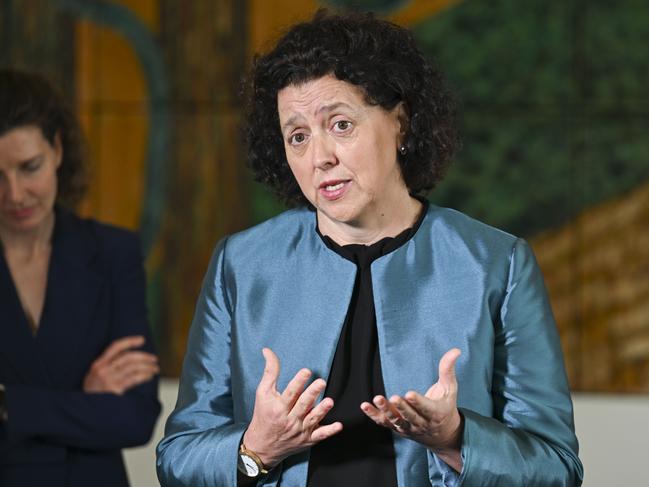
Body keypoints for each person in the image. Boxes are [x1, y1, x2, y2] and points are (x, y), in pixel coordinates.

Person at [156, 10, 583, 487]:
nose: (320, 157)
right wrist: (257, 448)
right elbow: (178, 459)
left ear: (400, 122)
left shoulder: (496, 264)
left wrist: (456, 439)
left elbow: (555, 468)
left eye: (340, 125)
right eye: (297, 136)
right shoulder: (241, 264)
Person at [0, 69, 161, 487]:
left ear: (56, 150)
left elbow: (135, 418)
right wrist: (82, 402)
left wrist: (9, 405)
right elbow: (111, 416)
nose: (14, 193)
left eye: (28, 167)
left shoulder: (113, 252)